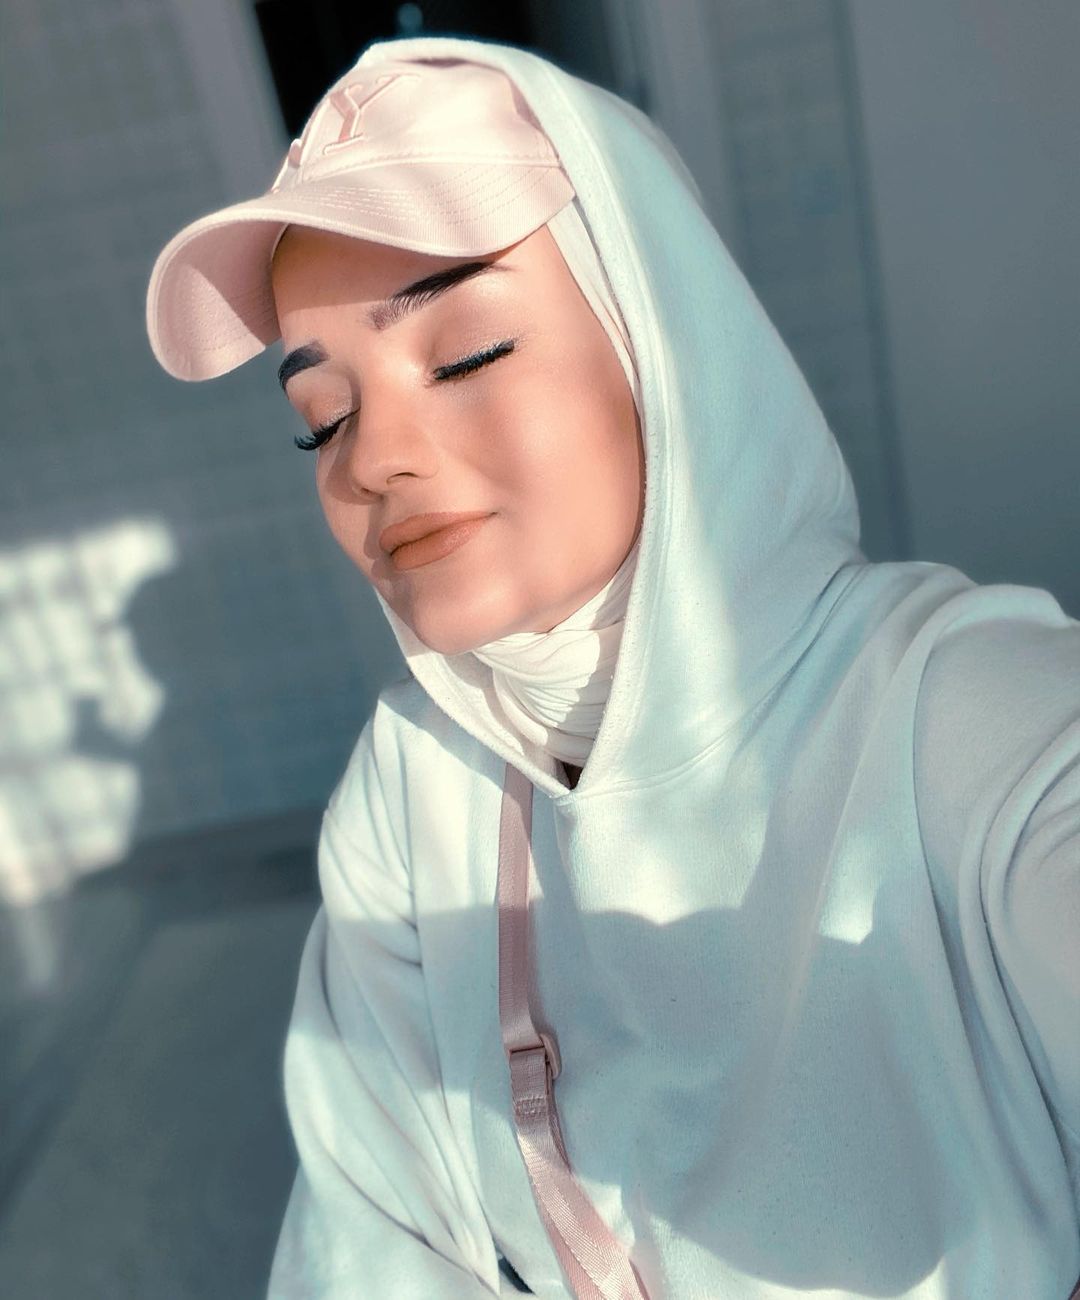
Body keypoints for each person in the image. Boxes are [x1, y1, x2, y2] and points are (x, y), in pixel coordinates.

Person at [145, 34, 1080, 1300]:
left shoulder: (971, 719)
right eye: (324, 417)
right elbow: (363, 1240)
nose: (372, 458)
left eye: (465, 352)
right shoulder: (412, 790)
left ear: (661, 337)